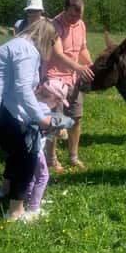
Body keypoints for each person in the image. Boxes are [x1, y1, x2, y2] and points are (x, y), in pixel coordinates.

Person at [0, 18, 58, 221]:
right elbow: (21, 90)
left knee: (15, 151)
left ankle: (4, 192)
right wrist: (40, 118)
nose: (53, 48)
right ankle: (15, 212)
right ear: (46, 38)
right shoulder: (27, 50)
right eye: (53, 43)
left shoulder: (18, 45)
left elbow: (19, 88)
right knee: (26, 155)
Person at [44, 0, 94, 172]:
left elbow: (82, 49)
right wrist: (79, 68)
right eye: (72, 15)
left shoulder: (80, 25)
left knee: (76, 118)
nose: (75, 19)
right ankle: (51, 159)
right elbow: (58, 54)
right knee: (55, 121)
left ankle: (73, 157)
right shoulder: (53, 25)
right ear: (65, 9)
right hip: (54, 79)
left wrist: (89, 65)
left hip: (73, 78)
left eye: (79, 16)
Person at [24, 79, 75, 220]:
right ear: (53, 98)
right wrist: (59, 130)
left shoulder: (33, 104)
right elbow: (46, 126)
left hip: (27, 147)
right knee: (43, 176)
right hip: (36, 150)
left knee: (32, 176)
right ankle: (33, 209)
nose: (57, 105)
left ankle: (30, 200)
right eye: (58, 101)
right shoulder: (44, 110)